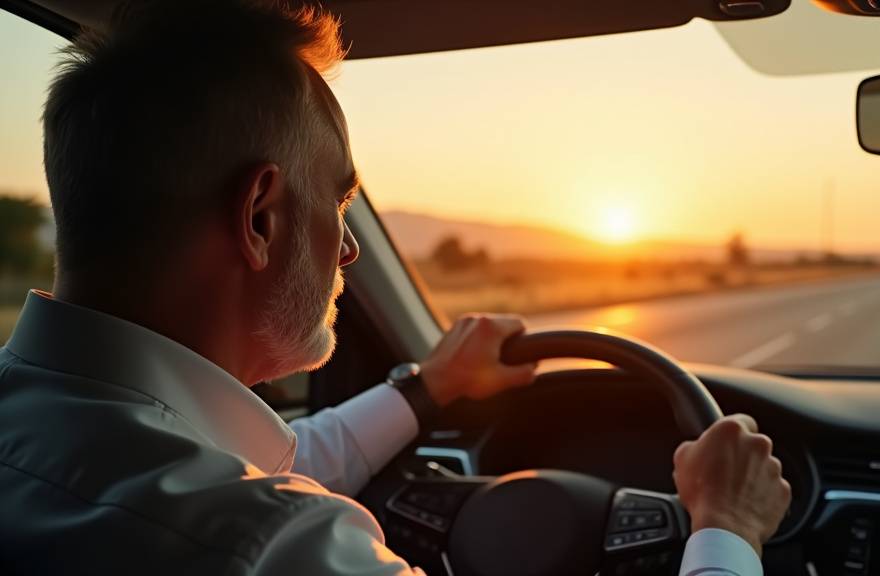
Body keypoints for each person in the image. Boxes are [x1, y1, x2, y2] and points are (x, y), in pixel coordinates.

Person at [0, 1, 791, 575]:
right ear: (261, 219)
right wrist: (726, 527)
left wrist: (429, 388)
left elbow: (253, 461)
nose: (347, 251)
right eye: (339, 203)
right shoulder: (277, 549)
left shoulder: (67, 437)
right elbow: (243, 496)